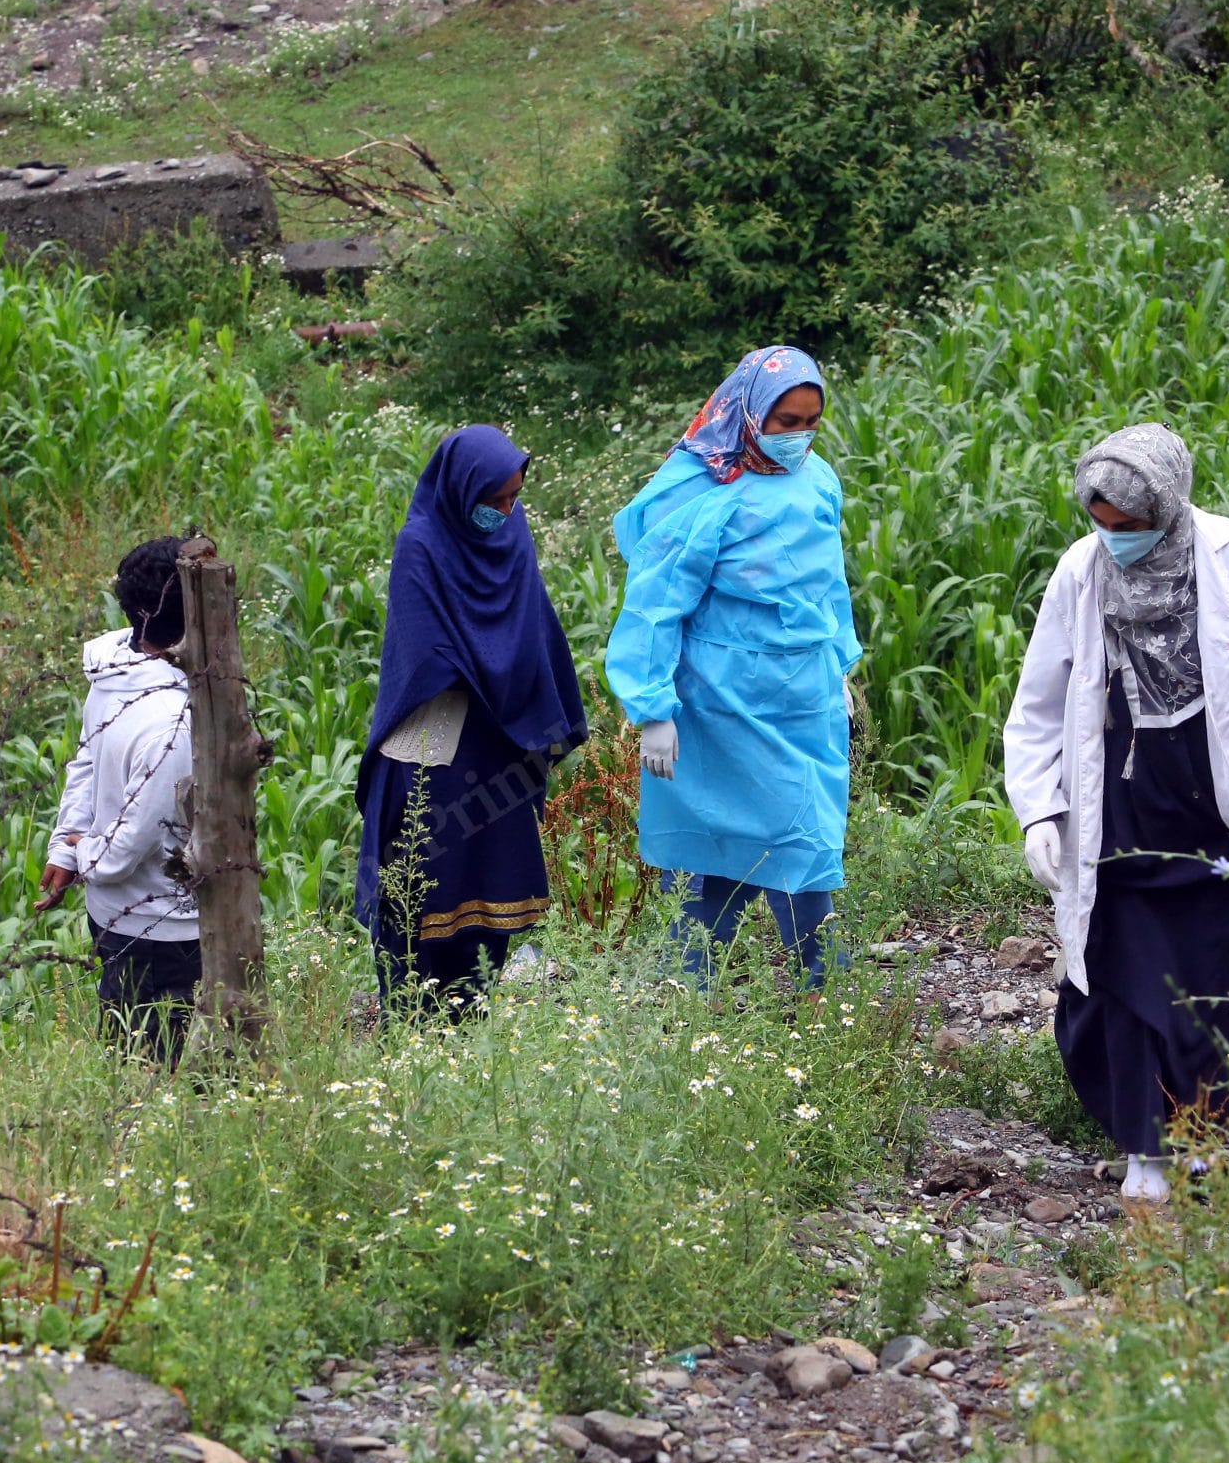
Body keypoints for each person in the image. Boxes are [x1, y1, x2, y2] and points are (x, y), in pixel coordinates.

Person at [1002, 424, 1229, 1205]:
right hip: (1119, 809)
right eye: (1102, 524)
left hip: (1215, 805)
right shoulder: (1082, 573)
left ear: (1168, 507)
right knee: (1125, 975)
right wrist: (1041, 810)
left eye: (1131, 526)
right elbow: (1039, 703)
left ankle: (1206, 1139)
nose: (1114, 541)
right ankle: (1148, 1151)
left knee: (1211, 983)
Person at [606, 345, 863, 990]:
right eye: (785, 422)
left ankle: (827, 998)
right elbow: (656, 605)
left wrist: (839, 666)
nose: (798, 437)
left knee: (808, 844)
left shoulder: (818, 481)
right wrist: (652, 708)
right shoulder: (704, 489)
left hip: (802, 700)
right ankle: (682, 1002)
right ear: (748, 413)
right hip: (720, 704)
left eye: (810, 422)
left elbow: (829, 587)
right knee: (711, 854)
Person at [355, 426, 588, 1010]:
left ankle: (471, 1011)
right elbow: (427, 652)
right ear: (463, 491)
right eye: (496, 501)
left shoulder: (512, 533)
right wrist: (495, 675)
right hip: (434, 742)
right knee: (424, 880)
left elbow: (532, 624)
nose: (507, 511)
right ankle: (413, 1020)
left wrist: (517, 684)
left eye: (514, 498)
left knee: (493, 887)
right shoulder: (422, 544)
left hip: (503, 742)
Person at [39, 537, 200, 1066]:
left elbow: (83, 765)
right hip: (165, 927)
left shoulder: (113, 670)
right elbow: (136, 837)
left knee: (131, 1057)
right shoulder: (174, 717)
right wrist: (79, 853)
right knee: (166, 1070)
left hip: (116, 915)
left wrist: (66, 849)